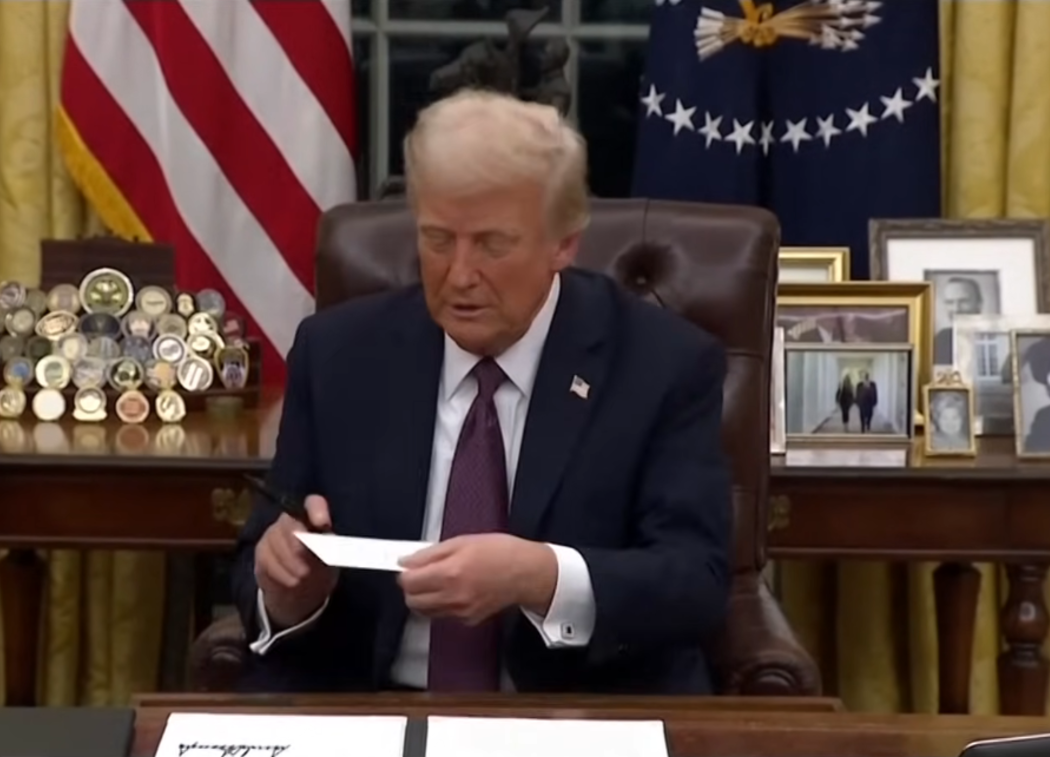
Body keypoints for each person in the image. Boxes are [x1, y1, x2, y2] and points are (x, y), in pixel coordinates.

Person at [233, 89, 732, 695]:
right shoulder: (338, 354)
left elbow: (694, 580)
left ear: (564, 243)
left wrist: (540, 576)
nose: (460, 275)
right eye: (439, 240)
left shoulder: (663, 365)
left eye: (493, 244)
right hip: (374, 712)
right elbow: (261, 559)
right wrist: (287, 589)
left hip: (573, 717)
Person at [934, 277, 984, 365]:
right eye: (949, 302)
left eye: (963, 301)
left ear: (979, 303)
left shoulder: (994, 336)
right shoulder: (941, 339)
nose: (956, 309)